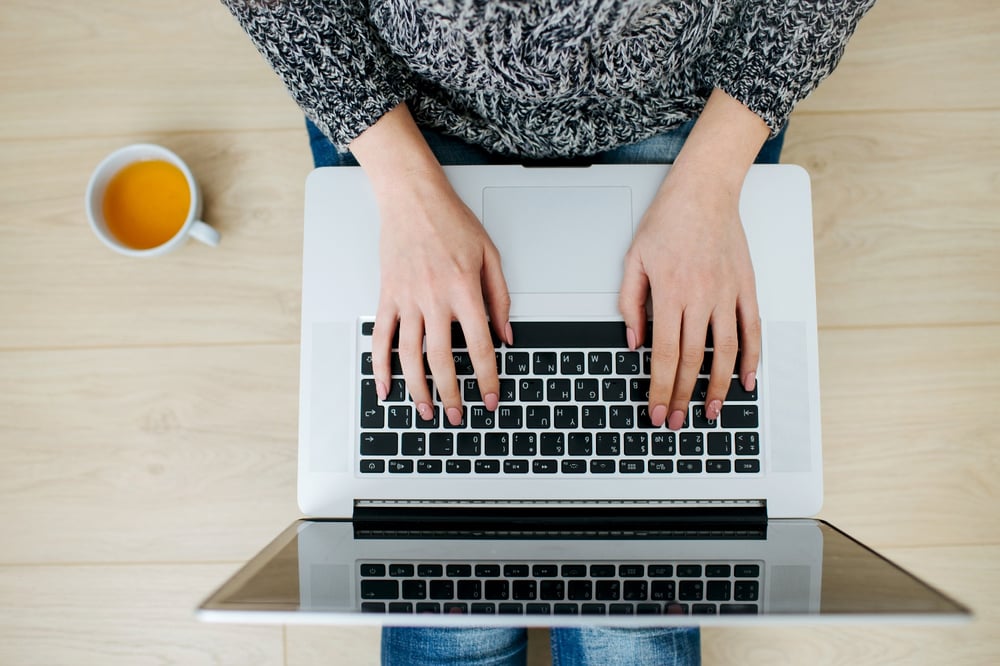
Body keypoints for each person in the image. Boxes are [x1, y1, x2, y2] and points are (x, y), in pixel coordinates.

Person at [223, 1, 875, 663]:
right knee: (457, 611)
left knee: (627, 613)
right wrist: (405, 191)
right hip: (403, 103)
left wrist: (711, 179)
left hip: (688, 101)